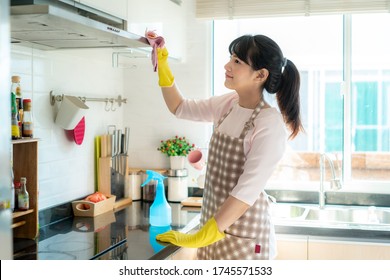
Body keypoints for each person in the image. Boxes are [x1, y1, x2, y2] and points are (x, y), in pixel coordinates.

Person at [153, 34, 303, 260]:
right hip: (213, 227)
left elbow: (246, 192)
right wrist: (163, 66)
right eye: (230, 58)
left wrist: (205, 235)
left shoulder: (268, 124)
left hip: (243, 236)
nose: (227, 65)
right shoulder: (228, 104)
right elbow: (180, 107)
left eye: (237, 62)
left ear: (260, 75)